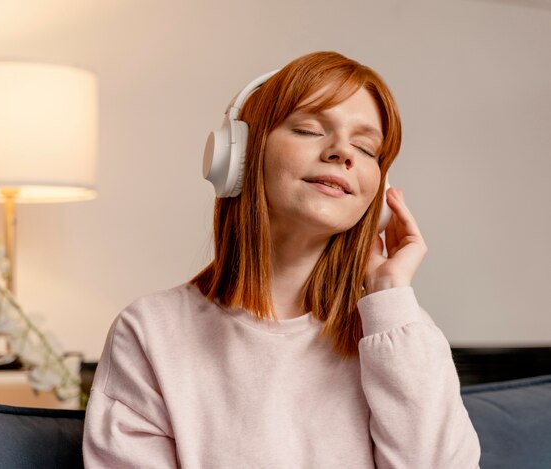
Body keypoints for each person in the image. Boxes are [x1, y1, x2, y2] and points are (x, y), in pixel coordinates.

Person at [83, 51, 481, 468]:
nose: (343, 152)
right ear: (240, 155)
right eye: (310, 129)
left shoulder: (399, 330)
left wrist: (389, 296)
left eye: (366, 148)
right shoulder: (150, 333)